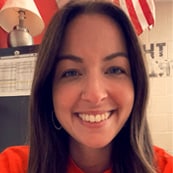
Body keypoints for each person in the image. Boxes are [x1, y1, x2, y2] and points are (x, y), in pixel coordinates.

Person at [0, 1, 172, 173]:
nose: (95, 94)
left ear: (136, 85)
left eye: (115, 69)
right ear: (48, 90)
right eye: (71, 73)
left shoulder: (164, 168)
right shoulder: (12, 166)